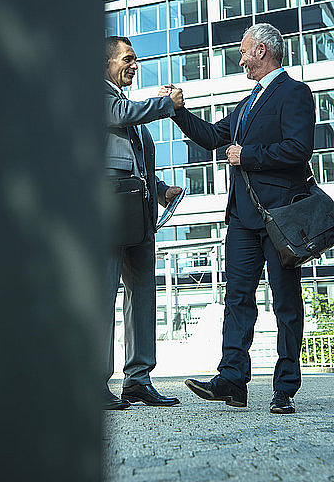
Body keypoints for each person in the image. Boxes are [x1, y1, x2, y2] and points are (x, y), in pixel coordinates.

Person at [160, 24, 315, 414]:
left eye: (244, 52)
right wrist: (179, 112)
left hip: (280, 217)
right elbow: (213, 137)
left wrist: (248, 156)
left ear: (262, 50)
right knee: (238, 299)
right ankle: (232, 380)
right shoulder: (249, 102)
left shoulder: (294, 93)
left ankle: (285, 388)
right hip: (243, 220)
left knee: (286, 304)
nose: (241, 59)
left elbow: (298, 149)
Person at [104, 36, 184, 410]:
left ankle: (138, 379)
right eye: (127, 58)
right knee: (102, 297)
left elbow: (135, 163)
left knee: (143, 296)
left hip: (137, 216)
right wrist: (167, 104)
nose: (134, 64)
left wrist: (163, 189)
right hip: (106, 215)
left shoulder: (125, 107)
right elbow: (123, 115)